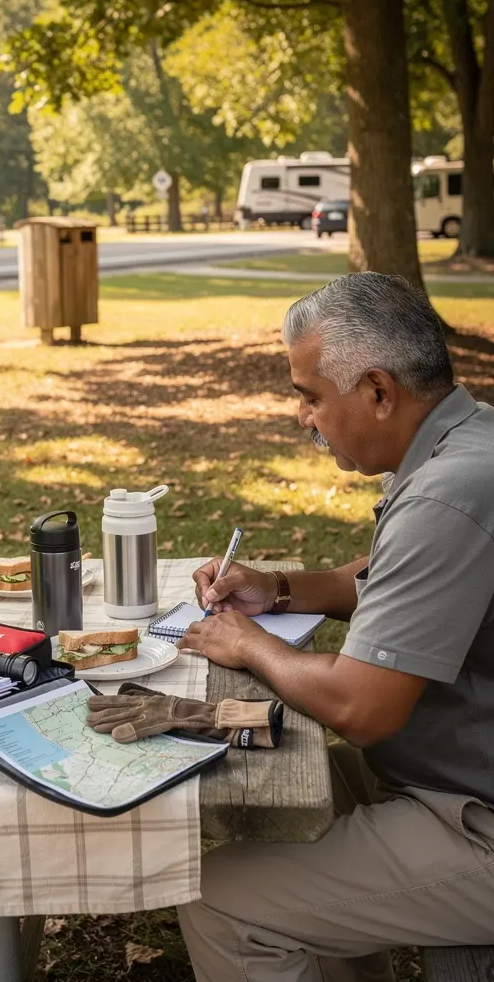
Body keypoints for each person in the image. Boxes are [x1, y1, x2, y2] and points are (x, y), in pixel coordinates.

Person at [177, 272, 494, 980]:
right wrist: (281, 589)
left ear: (379, 392)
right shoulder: (467, 440)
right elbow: (395, 575)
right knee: (294, 780)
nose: (303, 418)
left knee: (220, 899)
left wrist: (249, 645)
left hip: (475, 814)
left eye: (311, 396)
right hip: (452, 771)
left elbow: (362, 707)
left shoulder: (450, 495)